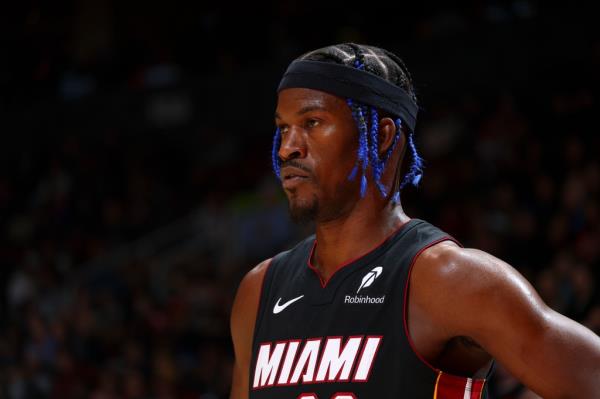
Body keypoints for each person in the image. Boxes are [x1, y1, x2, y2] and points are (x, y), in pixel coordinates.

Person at [229, 43, 600, 399]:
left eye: (312, 122)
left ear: (383, 136)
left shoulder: (450, 280)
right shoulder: (259, 290)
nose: (287, 147)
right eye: (283, 128)